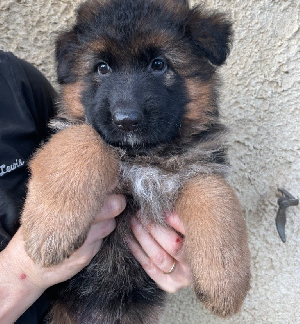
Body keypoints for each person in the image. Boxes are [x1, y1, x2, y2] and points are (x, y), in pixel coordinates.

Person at [0, 50, 191, 324]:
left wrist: (179, 255)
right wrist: (22, 272)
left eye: (158, 65)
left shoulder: (14, 81)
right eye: (102, 68)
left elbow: (67, 135)